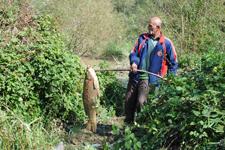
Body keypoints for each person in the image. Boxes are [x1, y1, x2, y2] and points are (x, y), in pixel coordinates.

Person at [124, 16, 178, 124]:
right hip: (135, 75)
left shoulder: (166, 43)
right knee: (128, 101)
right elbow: (134, 53)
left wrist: (170, 78)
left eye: (151, 26)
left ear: (158, 27)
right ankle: (127, 125)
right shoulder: (142, 38)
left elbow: (173, 63)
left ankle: (140, 126)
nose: (148, 28)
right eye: (148, 25)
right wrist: (134, 62)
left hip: (150, 79)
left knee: (141, 102)